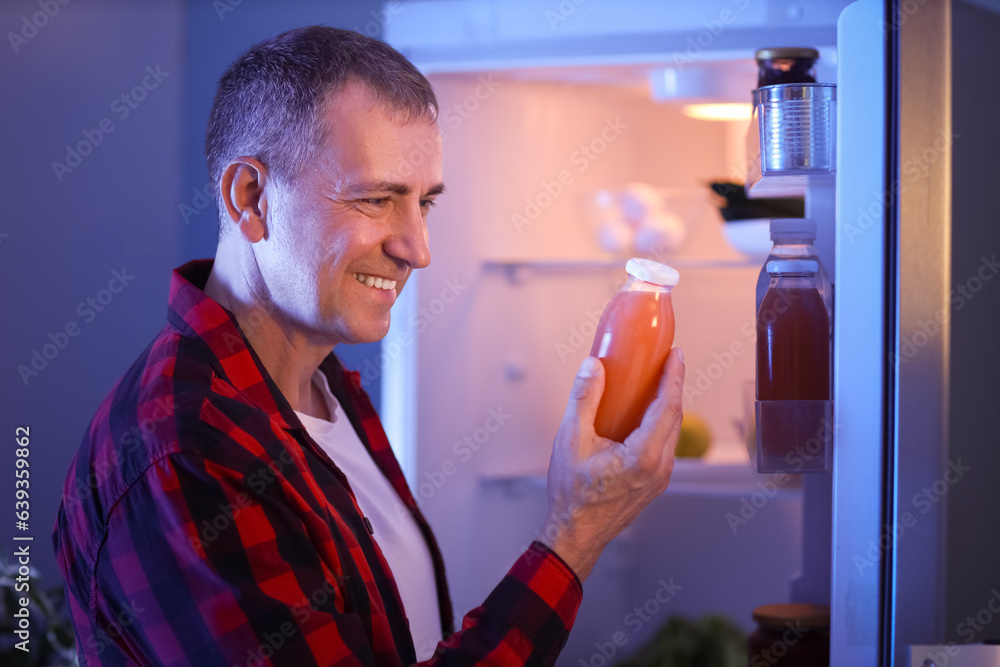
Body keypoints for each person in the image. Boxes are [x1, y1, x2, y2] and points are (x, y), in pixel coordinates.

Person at [52, 26, 685, 666]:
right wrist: (574, 535)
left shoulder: (322, 388)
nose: (418, 249)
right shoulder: (186, 450)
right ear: (251, 198)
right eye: (377, 199)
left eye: (424, 204)